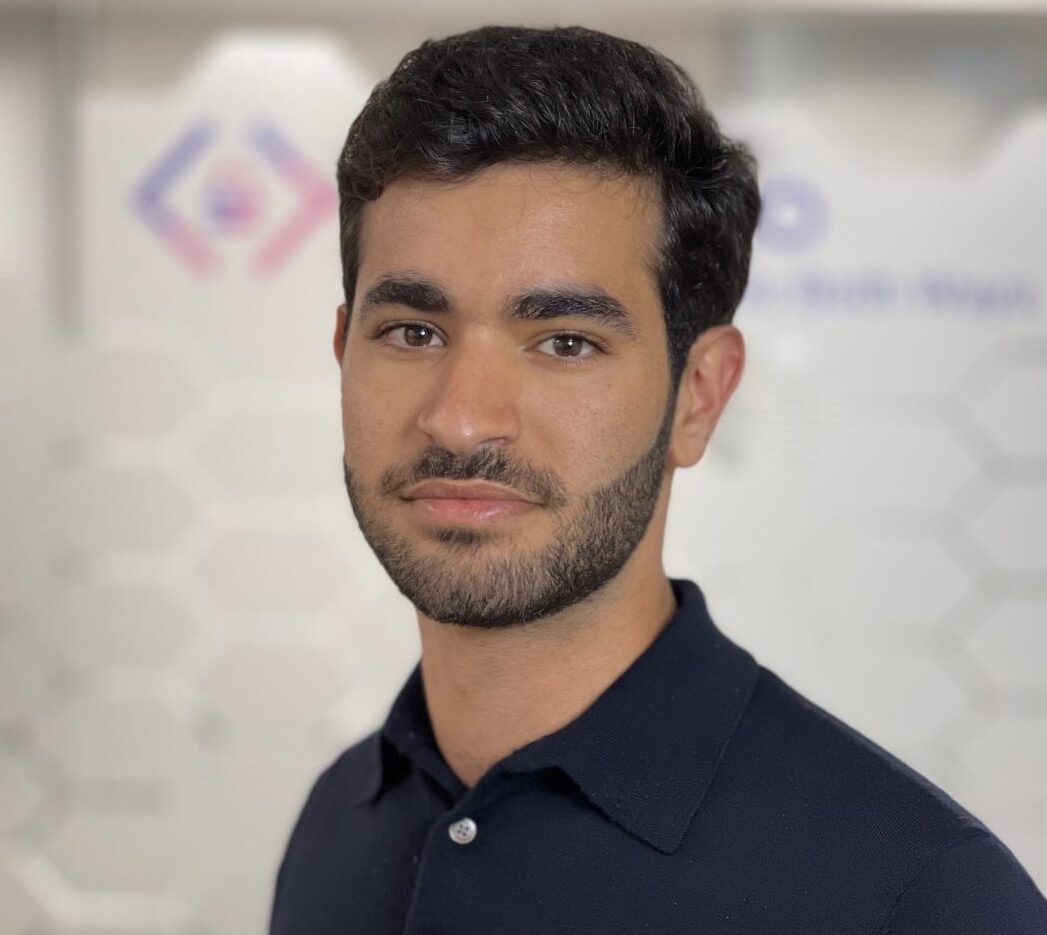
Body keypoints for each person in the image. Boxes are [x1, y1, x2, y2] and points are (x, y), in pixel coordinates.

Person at [268, 24, 1047, 934]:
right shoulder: (336, 824)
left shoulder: (920, 898)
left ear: (699, 395)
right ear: (342, 353)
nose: (461, 418)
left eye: (565, 342)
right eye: (412, 332)